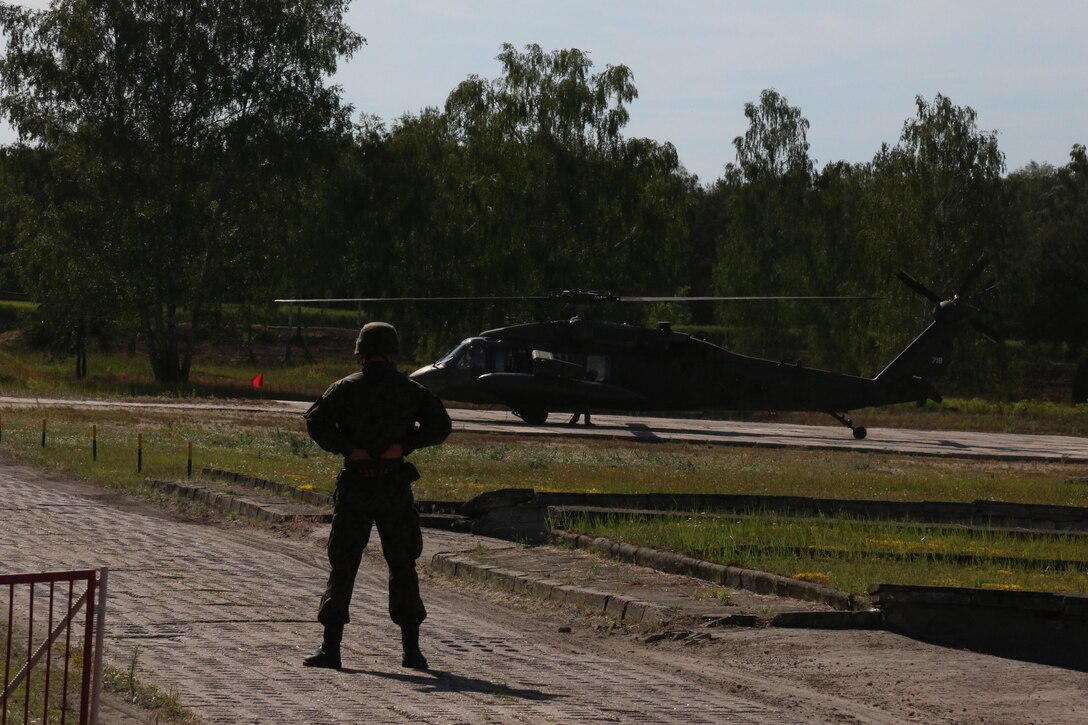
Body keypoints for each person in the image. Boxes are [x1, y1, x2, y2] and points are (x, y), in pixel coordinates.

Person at [302, 321, 452, 670]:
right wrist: (403, 446)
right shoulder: (410, 390)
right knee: (403, 566)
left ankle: (331, 648)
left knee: (343, 565)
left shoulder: (344, 388)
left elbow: (316, 422)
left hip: (356, 487)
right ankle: (411, 651)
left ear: (362, 352)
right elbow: (440, 426)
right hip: (393, 488)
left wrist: (349, 449)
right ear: (392, 352)